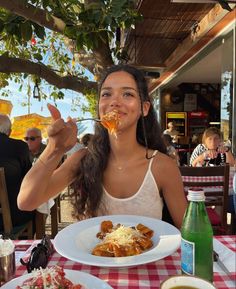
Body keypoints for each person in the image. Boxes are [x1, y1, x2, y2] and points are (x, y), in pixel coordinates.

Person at [18, 65, 187, 229]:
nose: (114, 101)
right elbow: (26, 201)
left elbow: (190, 231)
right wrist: (54, 148)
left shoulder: (162, 166)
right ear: (99, 109)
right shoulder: (84, 159)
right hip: (94, 256)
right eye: (106, 94)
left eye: (127, 94)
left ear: (144, 108)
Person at [0, 114, 35, 232]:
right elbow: (30, 179)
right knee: (33, 206)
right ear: (9, 132)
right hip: (11, 219)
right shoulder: (19, 147)